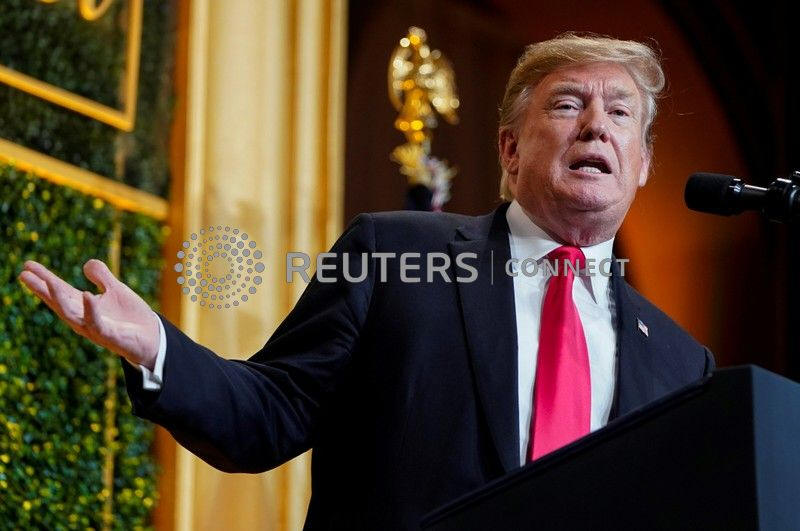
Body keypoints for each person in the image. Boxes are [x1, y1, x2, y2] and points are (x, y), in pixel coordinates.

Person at [19, 33, 713, 529]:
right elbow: (271, 411)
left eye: (620, 112)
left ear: (643, 163)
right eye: (567, 104)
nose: (596, 125)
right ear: (509, 147)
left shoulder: (683, 364)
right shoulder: (393, 252)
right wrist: (158, 350)